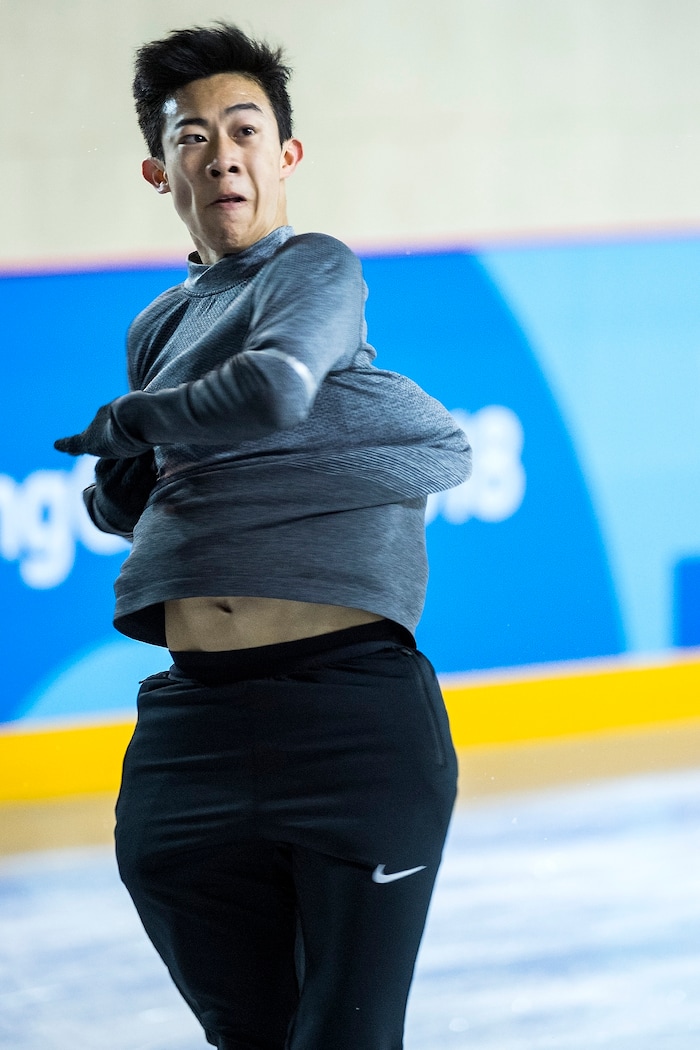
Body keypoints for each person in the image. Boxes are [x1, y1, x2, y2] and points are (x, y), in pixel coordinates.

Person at [54, 22, 472, 1050]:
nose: (222, 154)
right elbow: (151, 498)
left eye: (244, 130)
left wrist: (132, 422)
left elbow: (276, 389)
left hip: (348, 718)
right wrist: (124, 479)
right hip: (192, 726)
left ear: (285, 156)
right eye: (191, 137)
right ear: (160, 171)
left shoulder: (314, 268)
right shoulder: (157, 325)